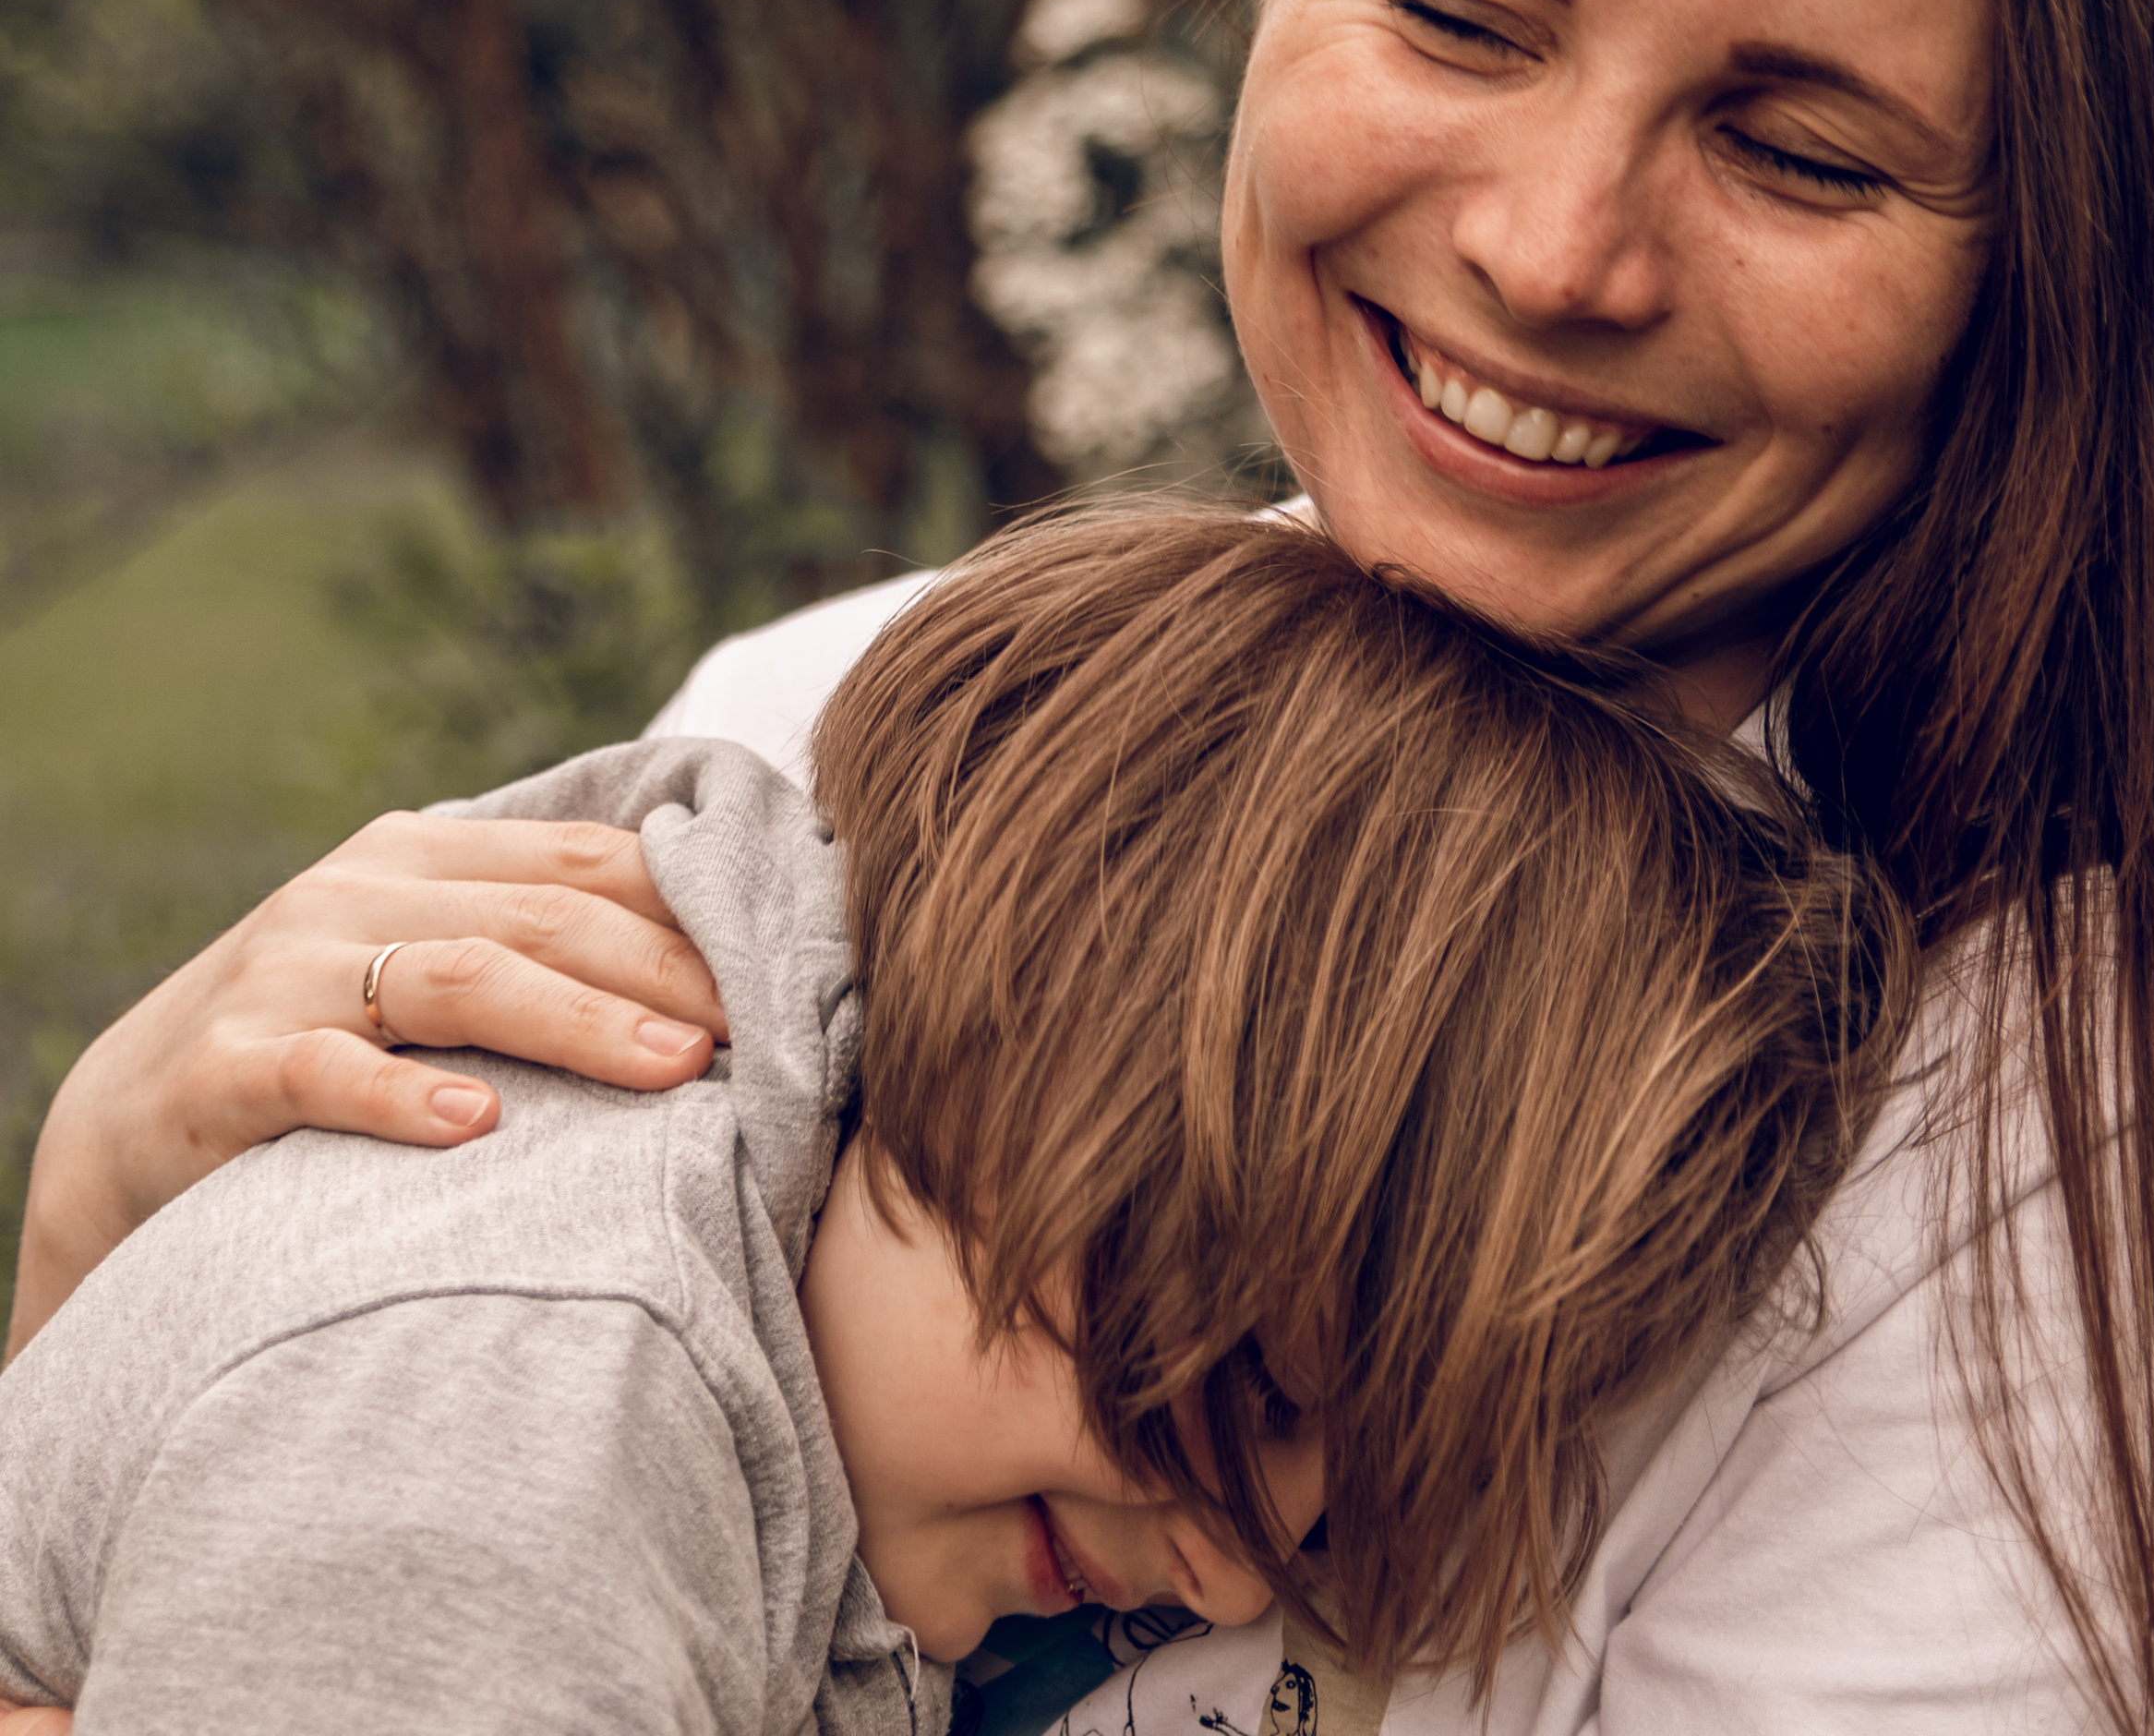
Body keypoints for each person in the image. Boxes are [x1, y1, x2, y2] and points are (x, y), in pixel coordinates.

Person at [6, 0, 2154, 1731]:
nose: (1553, 252)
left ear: (2046, 247)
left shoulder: (2066, 1130)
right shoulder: (820, 741)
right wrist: (105, 1227)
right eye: (1453, 13)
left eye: (1800, 151)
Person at [0, 506, 1895, 1734]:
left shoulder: (797, 1278)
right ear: (1016, 1019)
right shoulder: (530, 1416)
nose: (1232, 1572)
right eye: (1204, 1378)